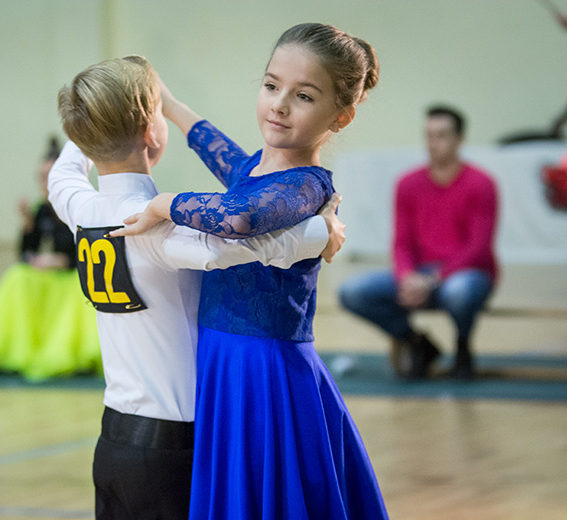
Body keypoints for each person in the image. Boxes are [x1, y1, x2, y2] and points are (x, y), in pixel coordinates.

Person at [49, 55, 347, 520]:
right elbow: (244, 240)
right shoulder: (157, 230)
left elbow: (61, 175)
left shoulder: (78, 207)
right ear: (152, 134)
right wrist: (322, 232)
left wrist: (94, 124)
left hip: (112, 440)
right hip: (173, 447)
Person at [111, 24, 388, 520]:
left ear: (340, 117)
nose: (279, 105)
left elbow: (238, 217)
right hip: (223, 359)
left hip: (263, 371)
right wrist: (171, 108)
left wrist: (164, 203)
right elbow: (221, 152)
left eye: (303, 95)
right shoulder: (258, 168)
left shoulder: (305, 186)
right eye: (271, 85)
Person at [340, 106, 499, 381]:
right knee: (352, 292)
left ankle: (463, 350)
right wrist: (407, 277)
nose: (433, 143)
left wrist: (432, 280)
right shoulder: (408, 184)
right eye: (428, 135)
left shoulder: (481, 183)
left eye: (441, 135)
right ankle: (417, 343)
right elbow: (401, 242)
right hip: (420, 274)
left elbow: (478, 248)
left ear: (459, 140)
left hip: (467, 275)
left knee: (458, 292)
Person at [0, 137, 101, 381]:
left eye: (48, 177)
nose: (43, 183)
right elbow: (25, 254)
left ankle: (72, 353)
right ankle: (13, 350)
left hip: (71, 278)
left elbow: (89, 253)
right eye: (40, 177)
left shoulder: (81, 207)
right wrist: (26, 226)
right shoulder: (40, 211)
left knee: (80, 286)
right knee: (17, 276)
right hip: (47, 277)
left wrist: (62, 262)